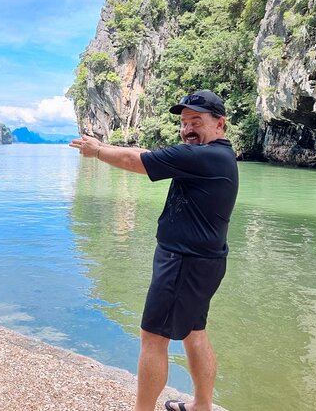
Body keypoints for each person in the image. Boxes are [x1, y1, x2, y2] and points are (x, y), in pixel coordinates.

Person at [70, 90, 238, 411]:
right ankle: (202, 406)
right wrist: (106, 148)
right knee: (194, 332)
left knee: (152, 338)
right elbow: (150, 152)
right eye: (184, 122)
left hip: (182, 262)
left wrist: (98, 151)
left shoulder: (204, 157)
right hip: (205, 260)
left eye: (197, 121)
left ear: (220, 125)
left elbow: (139, 162)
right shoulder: (215, 155)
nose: (187, 128)